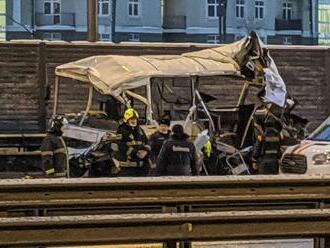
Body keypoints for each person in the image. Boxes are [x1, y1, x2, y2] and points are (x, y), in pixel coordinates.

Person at [114, 108, 151, 177]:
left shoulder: (140, 130)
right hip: (127, 168)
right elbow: (120, 146)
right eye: (131, 119)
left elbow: (147, 142)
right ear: (126, 120)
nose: (134, 121)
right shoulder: (121, 131)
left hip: (141, 168)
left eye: (135, 119)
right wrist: (135, 152)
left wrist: (146, 151)